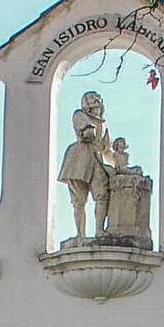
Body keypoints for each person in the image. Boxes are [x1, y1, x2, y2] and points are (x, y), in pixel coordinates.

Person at [57, 91, 114, 238]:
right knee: (79, 201)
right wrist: (89, 130)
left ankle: (99, 231)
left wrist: (120, 164)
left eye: (98, 98)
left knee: (102, 195)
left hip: (97, 160)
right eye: (92, 98)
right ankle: (80, 235)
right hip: (79, 160)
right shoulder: (79, 115)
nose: (96, 99)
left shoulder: (103, 123)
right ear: (86, 103)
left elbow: (107, 150)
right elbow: (88, 133)